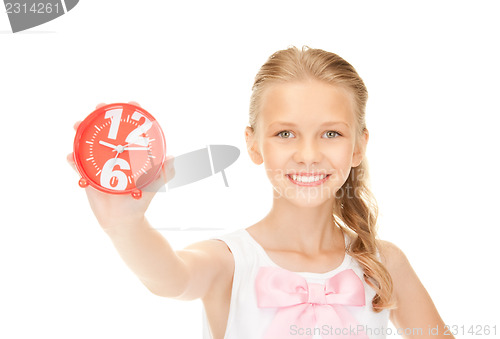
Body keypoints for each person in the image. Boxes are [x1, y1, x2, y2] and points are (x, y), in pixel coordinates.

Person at [68, 46, 454, 339]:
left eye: (331, 133)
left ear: (358, 146)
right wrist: (125, 225)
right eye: (285, 133)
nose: (308, 155)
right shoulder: (231, 261)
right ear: (254, 145)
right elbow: (172, 279)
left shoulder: (385, 263)